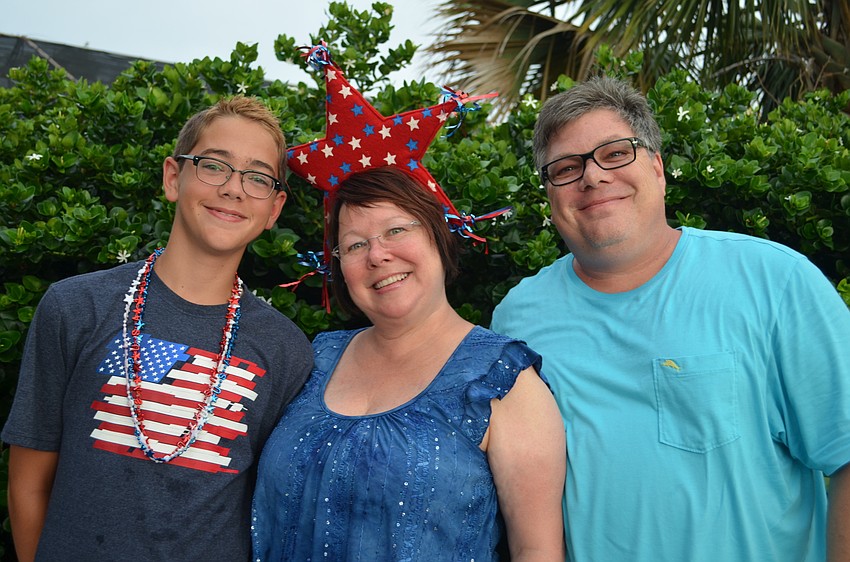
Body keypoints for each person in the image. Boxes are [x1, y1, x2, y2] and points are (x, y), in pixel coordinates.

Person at [490, 75, 850, 561]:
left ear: (658, 169)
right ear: (550, 197)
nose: (593, 177)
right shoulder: (518, 320)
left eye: (616, 153)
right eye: (566, 168)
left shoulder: (774, 281)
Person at [2, 96, 314, 561]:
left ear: (274, 209)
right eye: (214, 165)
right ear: (173, 177)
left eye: (257, 177)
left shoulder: (286, 350)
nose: (233, 189)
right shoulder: (76, 306)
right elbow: (28, 480)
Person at [251, 167, 566, 561]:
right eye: (354, 245)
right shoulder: (314, 360)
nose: (377, 255)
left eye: (396, 230)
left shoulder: (502, 380)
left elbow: (536, 550)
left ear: (436, 235)